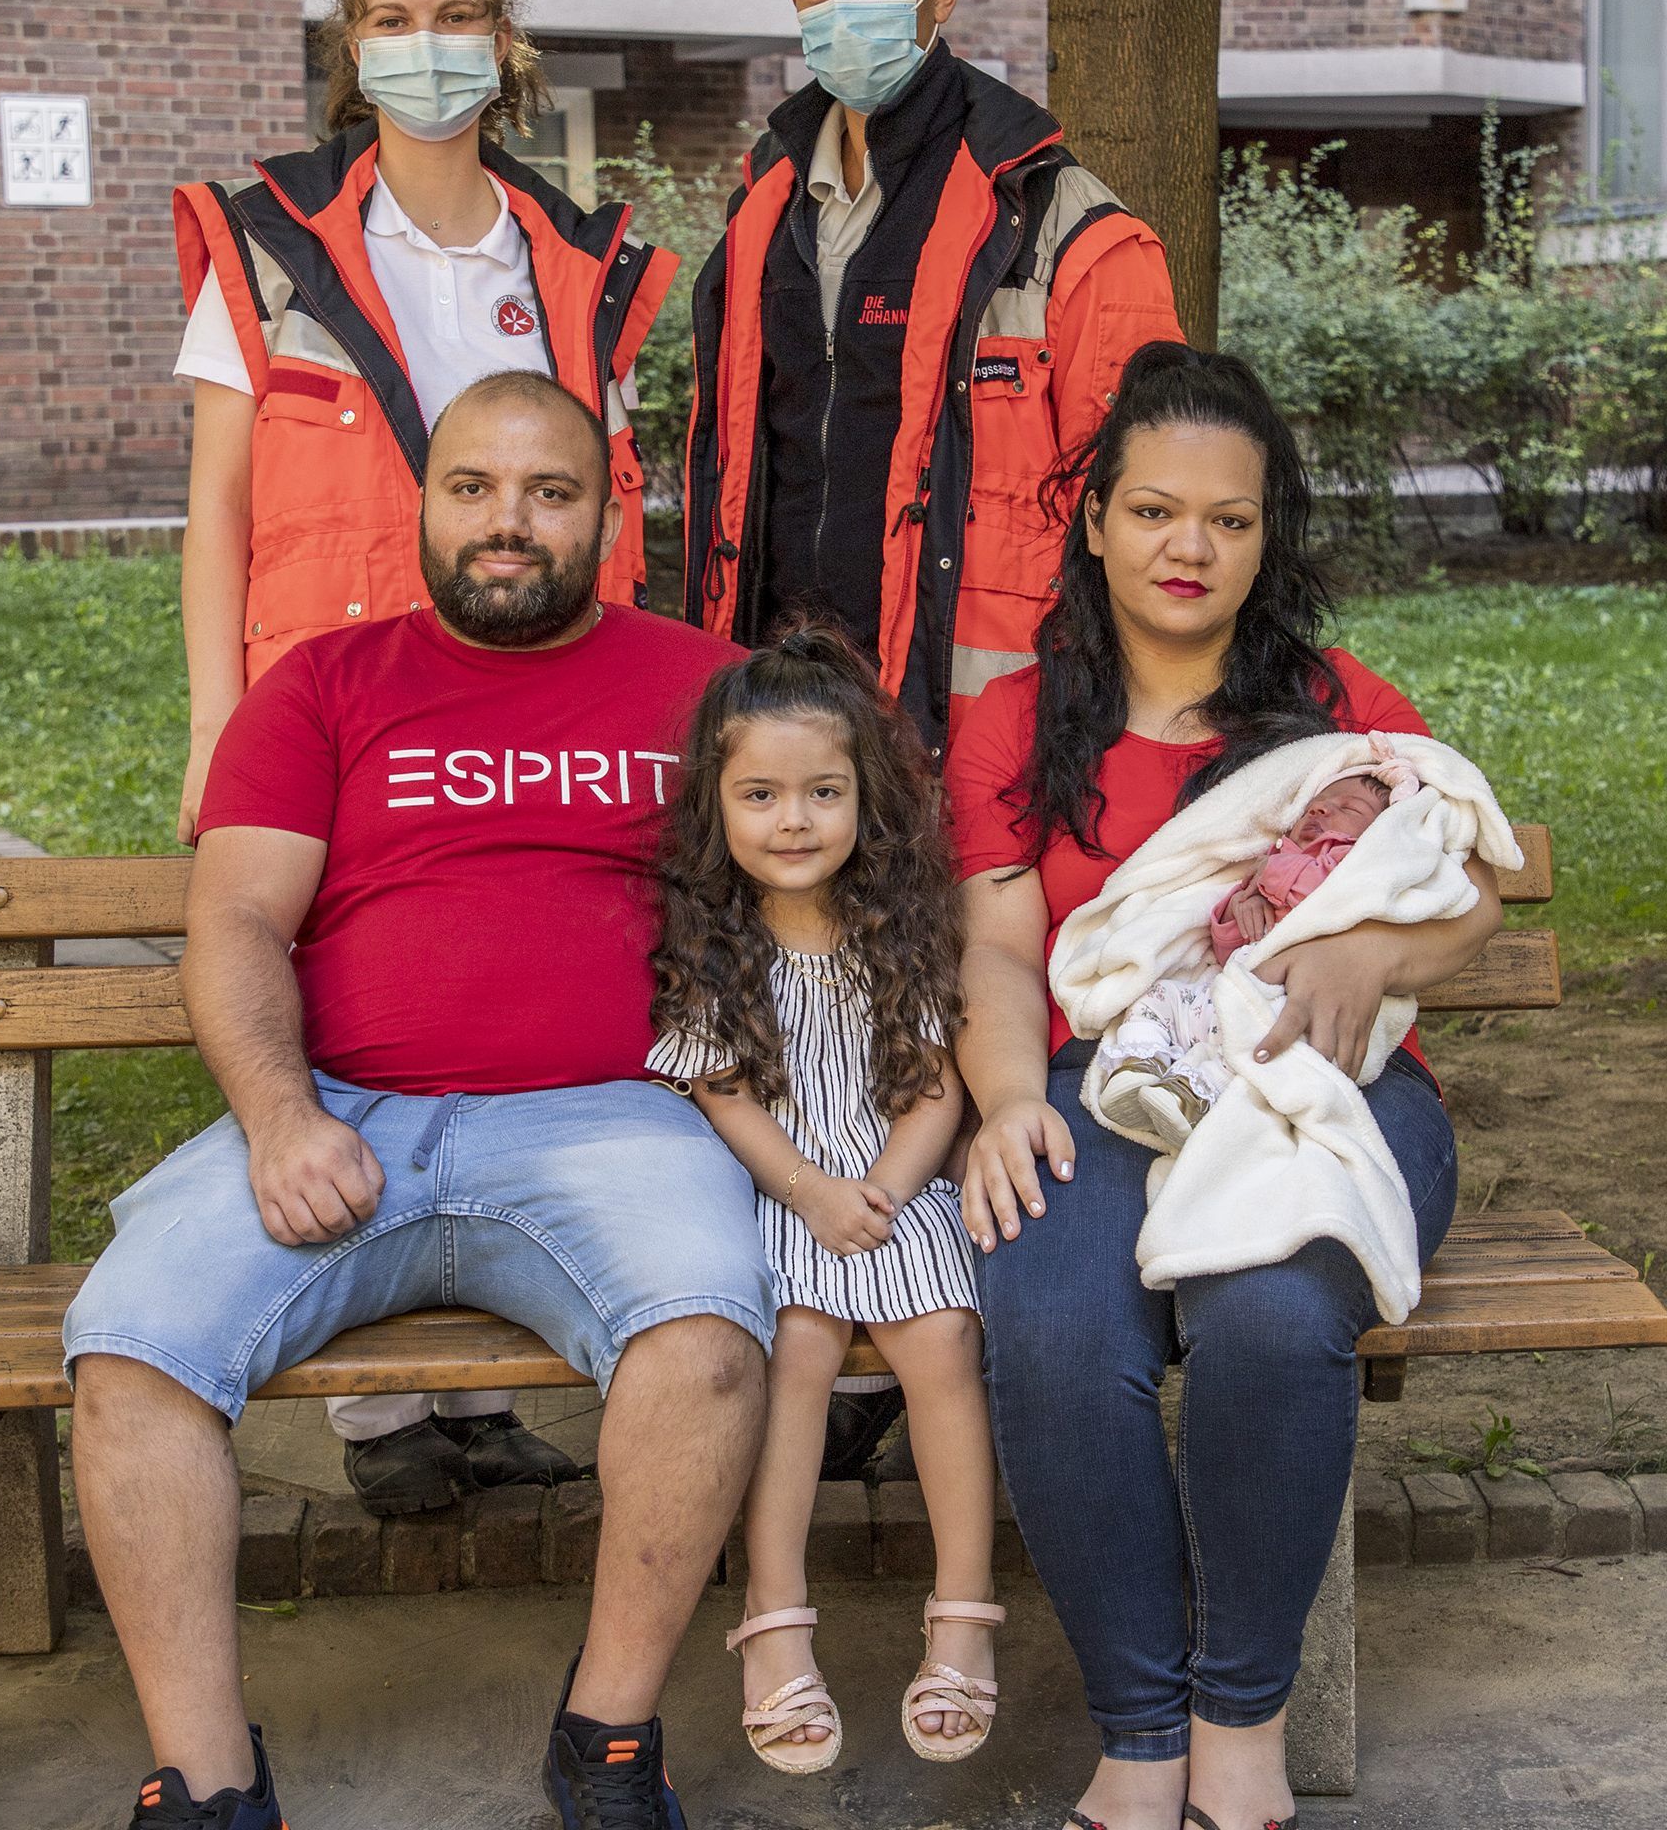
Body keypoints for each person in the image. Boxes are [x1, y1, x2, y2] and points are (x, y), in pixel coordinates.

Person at [64, 373, 767, 1830]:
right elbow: (239, 926)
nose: (505, 524)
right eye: (472, 488)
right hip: (339, 1114)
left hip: (612, 1118)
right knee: (129, 1352)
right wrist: (275, 1116)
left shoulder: (709, 691)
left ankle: (608, 1737)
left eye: (548, 492)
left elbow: (825, 890)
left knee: (705, 1343)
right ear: (425, 500)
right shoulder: (323, 684)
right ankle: (203, 1786)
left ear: (606, 512)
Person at [941, 345, 1503, 1830]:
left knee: (1266, 1317)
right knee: (1054, 1337)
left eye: (1229, 520)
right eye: (1153, 511)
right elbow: (999, 955)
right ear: (1096, 522)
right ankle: (1137, 1731)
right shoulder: (1010, 721)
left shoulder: (1329, 703)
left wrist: (1371, 950)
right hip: (1092, 1081)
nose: (1189, 548)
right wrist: (1007, 1101)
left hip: (1327, 1086)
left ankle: (1237, 1719)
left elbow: (1493, 874)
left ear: (1268, 534)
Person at [170, 0, 677, 1508]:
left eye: (453, 12)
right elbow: (216, 511)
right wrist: (209, 724)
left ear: (505, 43)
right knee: (338, 1012)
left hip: (522, 690)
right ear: (348, 50)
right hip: (327, 710)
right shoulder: (273, 248)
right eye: (388, 18)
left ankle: (470, 1396)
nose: (424, 43)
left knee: (490, 1009)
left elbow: (601, 491)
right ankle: (381, 1419)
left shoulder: (572, 258)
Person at [682, 0, 1187, 759]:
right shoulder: (763, 205)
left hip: (976, 722)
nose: (842, 8)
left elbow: (1150, 508)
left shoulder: (1057, 223)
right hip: (778, 709)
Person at [644, 626, 1001, 1775]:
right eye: (760, 793)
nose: (791, 819)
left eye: (821, 792)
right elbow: (721, 1089)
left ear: (866, 799)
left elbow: (942, 1080)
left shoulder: (900, 929)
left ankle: (962, 1611)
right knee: (793, 1344)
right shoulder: (716, 938)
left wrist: (887, 1191)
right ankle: (775, 1618)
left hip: (895, 1183)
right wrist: (809, 1191)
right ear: (719, 804)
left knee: (943, 1336)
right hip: (782, 1191)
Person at [1093, 769, 1400, 1146]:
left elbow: (1317, 886)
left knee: (1255, 1041)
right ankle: (1140, 1064)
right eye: (1316, 804)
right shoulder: (1280, 859)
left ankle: (1193, 1096)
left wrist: (1269, 874)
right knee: (1158, 995)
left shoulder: (1352, 864)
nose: (1321, 809)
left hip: (1278, 1002)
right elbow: (1227, 949)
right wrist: (1236, 909)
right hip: (1222, 989)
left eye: (1348, 807)